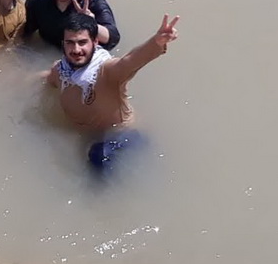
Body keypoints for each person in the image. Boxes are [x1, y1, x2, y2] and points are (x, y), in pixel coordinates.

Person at [45, 12, 179, 170]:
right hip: (89, 138)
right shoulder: (60, 71)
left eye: (82, 42)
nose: (76, 49)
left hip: (124, 136)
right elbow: (47, 79)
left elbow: (129, 62)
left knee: (98, 158)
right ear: (63, 44)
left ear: (95, 42)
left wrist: (155, 42)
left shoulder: (106, 71)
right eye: (70, 43)